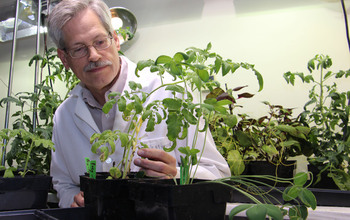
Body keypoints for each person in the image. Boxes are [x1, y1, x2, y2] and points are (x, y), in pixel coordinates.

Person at [47, 0, 231, 208]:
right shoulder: (64, 116)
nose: (94, 56)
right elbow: (63, 184)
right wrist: (72, 199)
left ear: (115, 40)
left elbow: (218, 174)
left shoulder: (168, 93)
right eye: (79, 49)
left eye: (100, 42)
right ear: (64, 58)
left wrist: (177, 176)